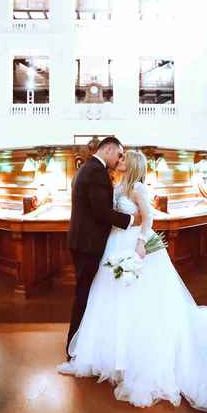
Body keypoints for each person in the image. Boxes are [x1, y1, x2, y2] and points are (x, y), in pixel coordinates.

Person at [57, 150, 207, 413]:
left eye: (121, 160)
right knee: (110, 298)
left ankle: (139, 356)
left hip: (136, 246)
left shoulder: (139, 188)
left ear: (130, 164)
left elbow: (149, 219)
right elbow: (107, 213)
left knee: (144, 302)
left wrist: (141, 244)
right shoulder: (117, 185)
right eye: (117, 158)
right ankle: (111, 353)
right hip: (115, 244)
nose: (117, 161)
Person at [64, 136, 142, 360]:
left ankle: (82, 342)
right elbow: (100, 212)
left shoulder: (87, 168)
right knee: (84, 294)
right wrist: (130, 221)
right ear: (108, 149)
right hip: (88, 244)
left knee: (87, 293)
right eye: (119, 154)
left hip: (83, 241)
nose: (120, 159)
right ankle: (74, 347)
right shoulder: (96, 171)